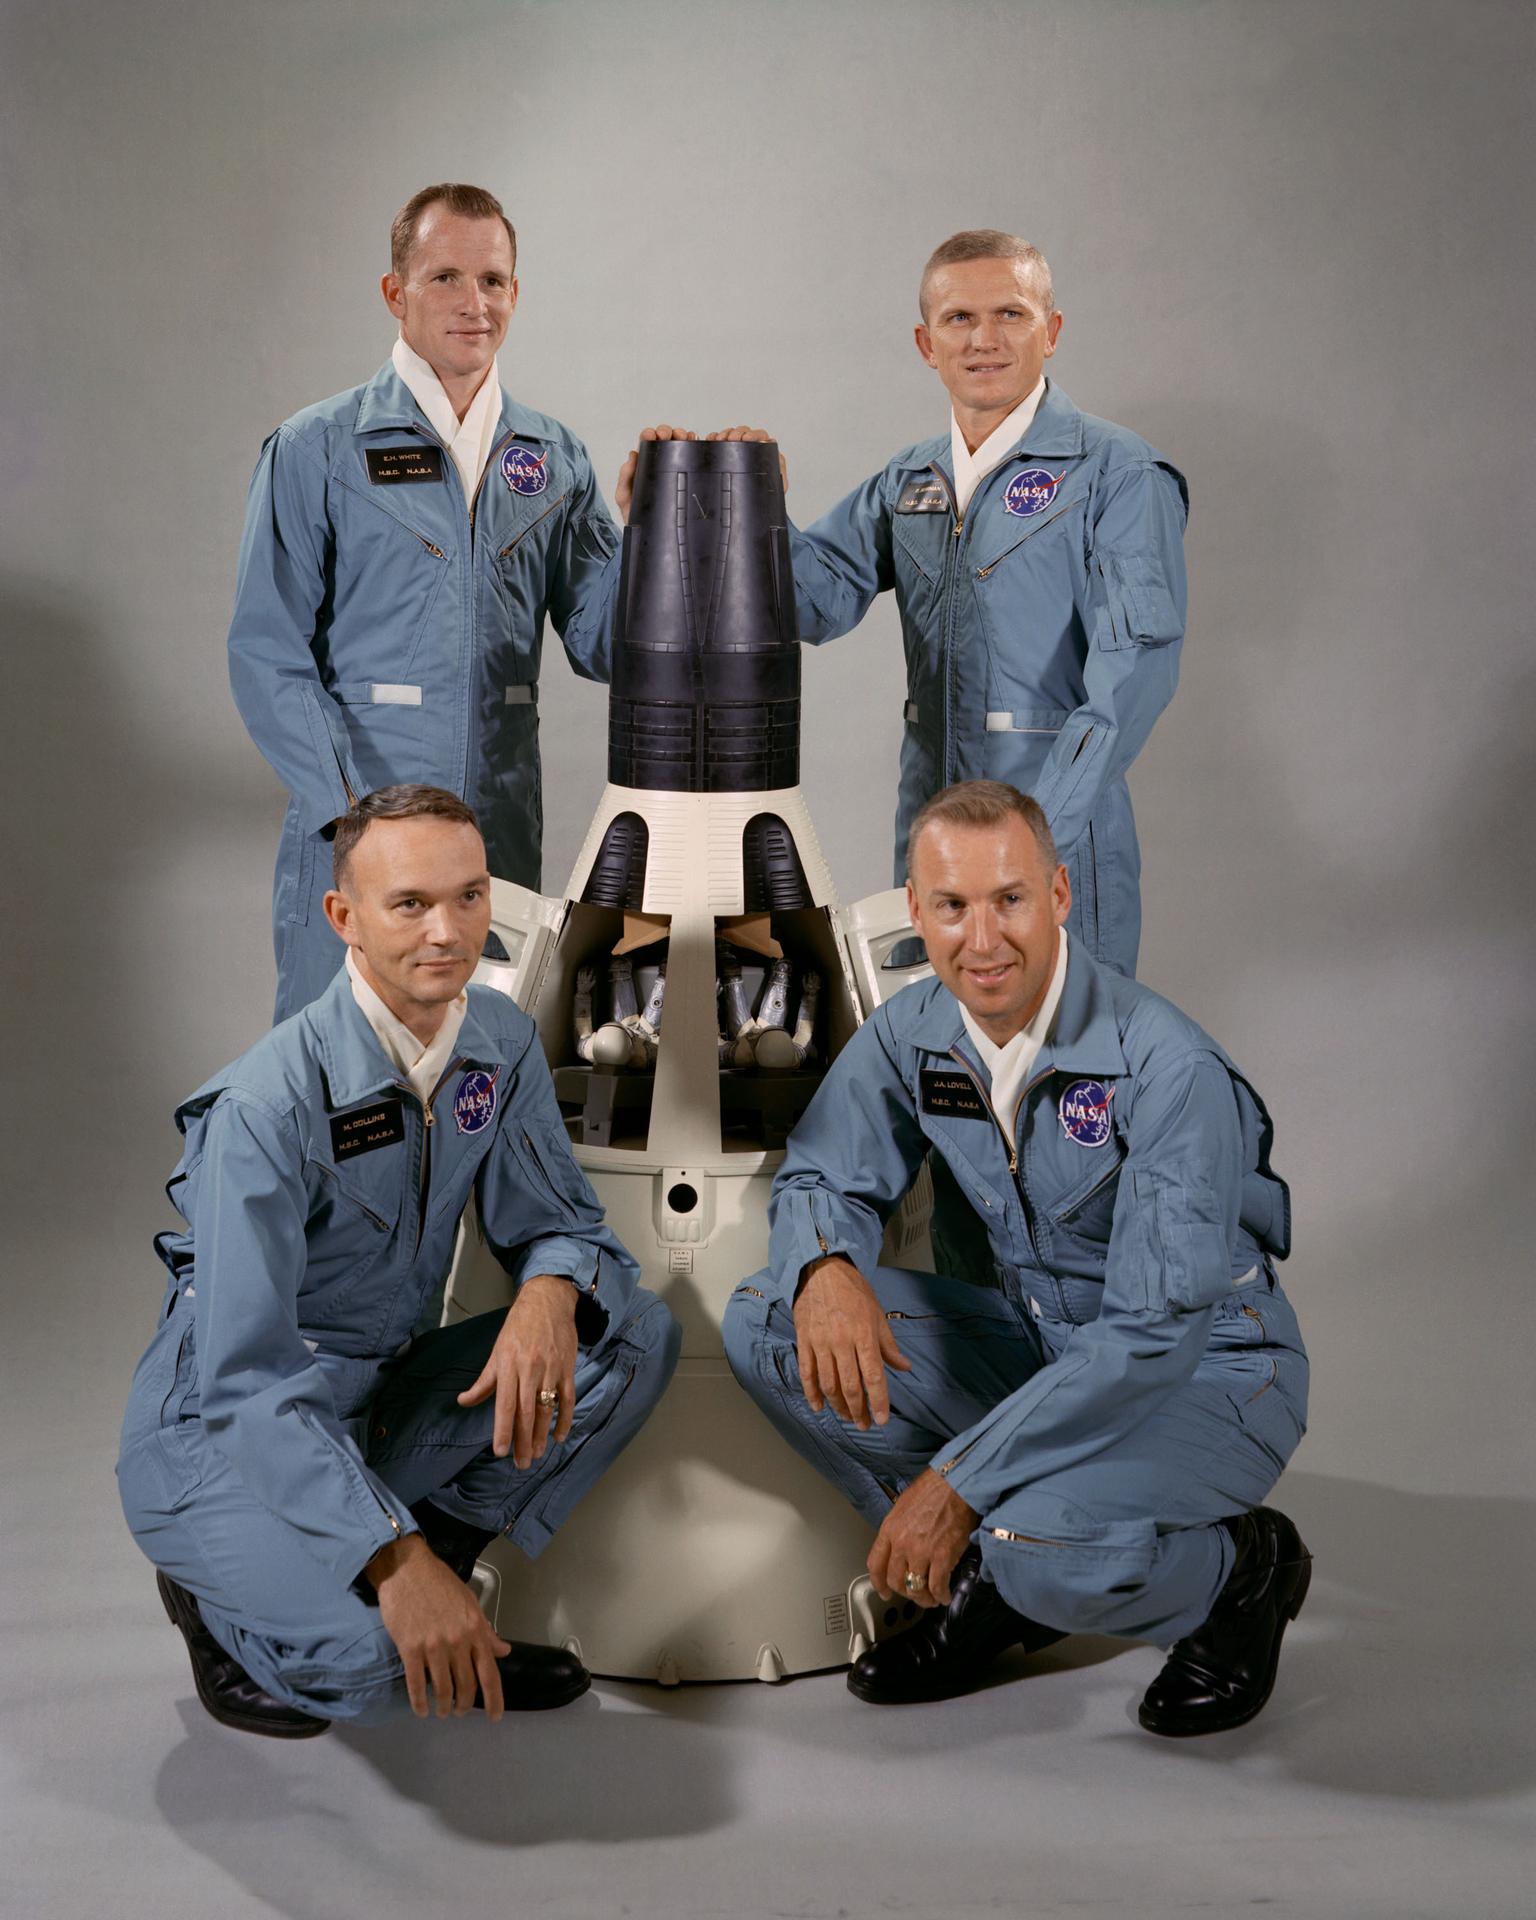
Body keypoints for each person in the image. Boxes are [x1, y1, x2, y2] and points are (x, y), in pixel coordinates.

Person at [721, 781, 1309, 1736]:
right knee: (765, 1319)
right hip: (1049, 1354)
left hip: (1209, 1374)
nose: (983, 939)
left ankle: (1239, 1570)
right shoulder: (916, 1032)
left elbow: (1154, 1337)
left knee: (1041, 1544)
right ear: (917, 911)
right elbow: (823, 1173)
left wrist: (957, 1481)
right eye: (952, 907)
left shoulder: (1165, 1066)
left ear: (1061, 896)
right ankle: (981, 1574)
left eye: (1010, 899)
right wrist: (826, 1267)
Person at [118, 787, 679, 1734]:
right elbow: (247, 1379)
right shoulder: (264, 1109)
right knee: (375, 1675)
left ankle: (444, 1577)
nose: (446, 931)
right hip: (228, 1434)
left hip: (374, 1400)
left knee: (629, 1332)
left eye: (468, 897)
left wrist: (550, 1286)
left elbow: (567, 1225)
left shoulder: (496, 1045)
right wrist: (390, 1560)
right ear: (344, 918)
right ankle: (212, 1599)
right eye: (409, 904)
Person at [702, 230, 1188, 981]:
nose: (984, 339)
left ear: (1051, 332)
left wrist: (1032, 842)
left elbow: (1133, 682)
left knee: (1061, 1068)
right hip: (933, 845)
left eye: (1011, 315)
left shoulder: (1117, 476)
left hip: (1054, 842)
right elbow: (810, 601)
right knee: (937, 1062)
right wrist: (746, 502)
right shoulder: (910, 481)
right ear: (928, 344)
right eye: (960, 319)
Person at [229, 183, 623, 1023]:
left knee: (484, 1080)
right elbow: (267, 656)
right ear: (394, 292)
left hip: (498, 843)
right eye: (444, 277)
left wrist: (657, 538)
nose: (472, 303)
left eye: (492, 280)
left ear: (515, 293)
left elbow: (603, 645)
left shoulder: (554, 460)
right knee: (342, 1089)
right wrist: (355, 820)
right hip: (364, 837)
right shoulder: (319, 448)